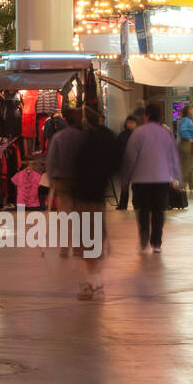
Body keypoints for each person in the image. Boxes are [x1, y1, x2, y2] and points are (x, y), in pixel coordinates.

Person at [120, 102, 182, 254]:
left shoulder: (138, 133)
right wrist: (176, 177)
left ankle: (143, 240)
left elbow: (130, 157)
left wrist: (125, 178)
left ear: (146, 116)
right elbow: (173, 156)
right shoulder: (166, 133)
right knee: (158, 211)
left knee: (143, 210)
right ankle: (156, 243)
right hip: (161, 179)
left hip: (141, 179)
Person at [74, 110, 118, 300]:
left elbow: (77, 166)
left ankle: (92, 283)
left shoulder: (84, 140)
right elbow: (117, 164)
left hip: (85, 195)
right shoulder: (108, 137)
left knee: (87, 241)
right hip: (99, 194)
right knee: (97, 239)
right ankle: (95, 282)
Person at [45, 107, 86, 255]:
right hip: (80, 180)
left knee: (64, 214)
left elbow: (51, 160)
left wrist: (50, 178)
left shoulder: (58, 137)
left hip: (61, 180)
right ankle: (77, 246)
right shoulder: (83, 137)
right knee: (79, 213)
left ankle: (64, 247)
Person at [115, 115, 137, 210]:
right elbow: (118, 149)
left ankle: (136, 203)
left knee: (136, 186)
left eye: (132, 122)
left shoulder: (138, 134)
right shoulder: (122, 135)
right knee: (125, 185)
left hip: (135, 163)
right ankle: (123, 203)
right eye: (129, 122)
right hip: (125, 163)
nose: (130, 124)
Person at [176, 110, 193, 191]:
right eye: (191, 110)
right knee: (186, 166)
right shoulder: (186, 120)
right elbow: (183, 131)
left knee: (190, 166)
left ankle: (192, 186)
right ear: (188, 112)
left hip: (186, 144)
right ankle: (182, 186)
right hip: (186, 145)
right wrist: (189, 138)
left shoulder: (187, 120)